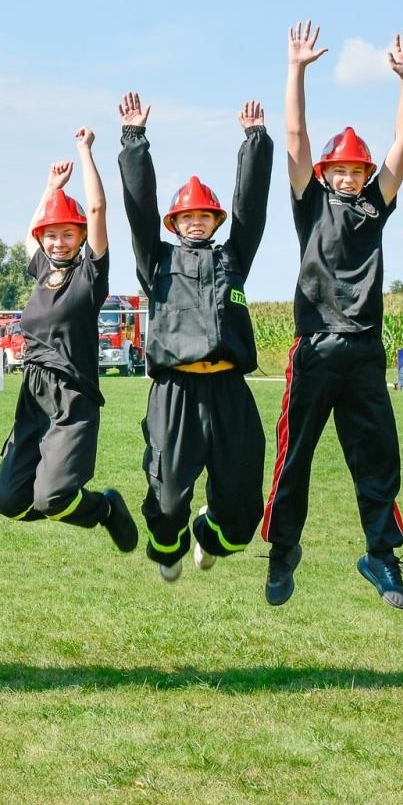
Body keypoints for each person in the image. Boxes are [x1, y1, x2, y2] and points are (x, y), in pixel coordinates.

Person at [261, 23, 403, 609]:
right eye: (342, 170)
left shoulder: (375, 208)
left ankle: (381, 557)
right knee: (294, 460)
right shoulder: (310, 203)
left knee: (378, 458)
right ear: (327, 174)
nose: (351, 177)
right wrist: (297, 69)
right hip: (314, 351)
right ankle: (282, 554)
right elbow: (296, 134)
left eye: (359, 170)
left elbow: (402, 149)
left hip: (364, 353)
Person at [117, 92, 274, 580]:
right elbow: (139, 210)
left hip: (230, 391)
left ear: (214, 222)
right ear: (175, 223)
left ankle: (209, 536)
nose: (196, 223)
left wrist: (255, 142)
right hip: (175, 393)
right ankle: (170, 547)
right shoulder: (157, 261)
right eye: (188, 217)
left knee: (244, 508)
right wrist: (134, 141)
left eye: (205, 217)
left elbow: (252, 209)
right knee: (166, 500)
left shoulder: (232, 260)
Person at [0, 129, 138, 552]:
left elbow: (96, 208)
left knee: (52, 498)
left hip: (72, 395)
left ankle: (105, 509)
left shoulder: (89, 276)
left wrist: (85, 152)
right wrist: (50, 187)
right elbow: (28, 237)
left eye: (68, 234)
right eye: (51, 234)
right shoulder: (42, 271)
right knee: (10, 502)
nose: (59, 241)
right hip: (32, 393)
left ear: (80, 239)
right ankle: (59, 501)